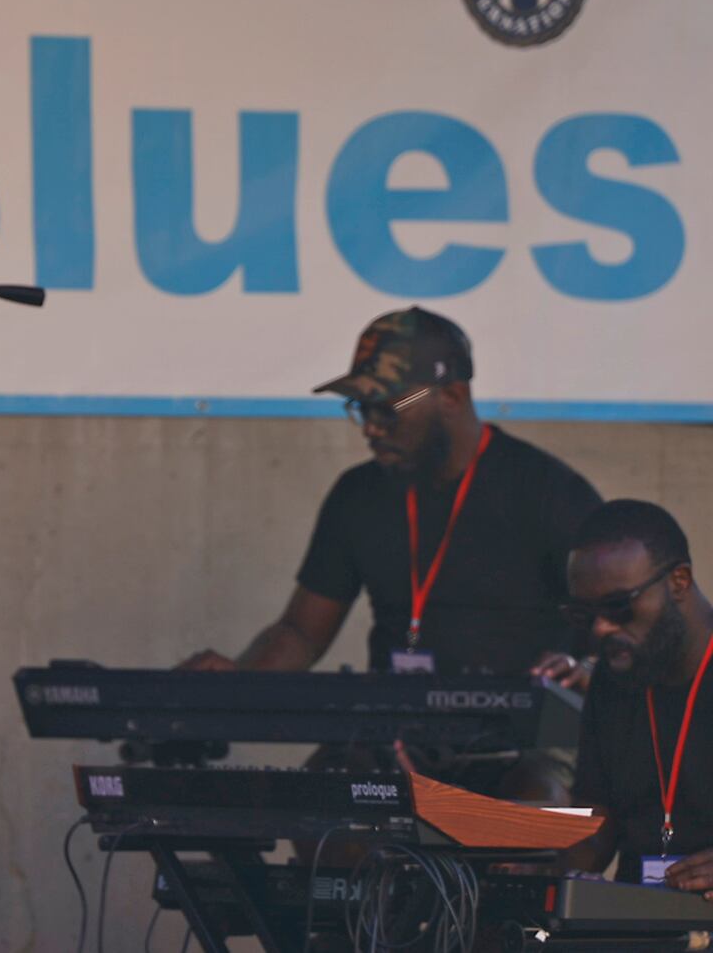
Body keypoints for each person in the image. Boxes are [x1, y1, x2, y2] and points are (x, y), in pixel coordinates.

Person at [178, 307, 602, 797]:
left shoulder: (548, 491)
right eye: (361, 409)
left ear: (452, 396)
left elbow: (611, 628)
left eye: (386, 409)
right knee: (326, 796)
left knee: (537, 800)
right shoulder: (358, 495)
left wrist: (583, 669)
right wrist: (240, 678)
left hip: (526, 740)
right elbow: (301, 631)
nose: (370, 428)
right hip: (398, 734)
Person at [566, 500, 713, 893]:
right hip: (634, 921)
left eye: (618, 606)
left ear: (679, 581)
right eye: (585, 613)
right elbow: (597, 818)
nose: (601, 628)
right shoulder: (613, 677)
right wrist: (531, 862)